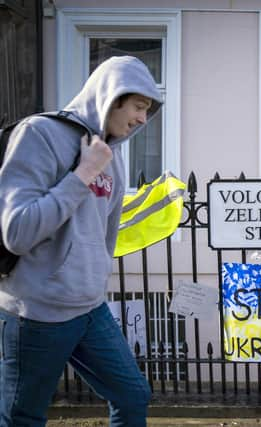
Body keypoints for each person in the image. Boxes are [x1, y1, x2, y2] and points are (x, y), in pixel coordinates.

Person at [0, 56, 162, 426]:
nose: (142, 119)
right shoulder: (39, 134)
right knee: (23, 417)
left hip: (90, 308)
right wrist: (84, 173)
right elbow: (17, 232)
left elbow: (107, 235)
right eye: (138, 106)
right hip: (36, 313)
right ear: (113, 96)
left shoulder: (114, 156)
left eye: (148, 111)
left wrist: (95, 275)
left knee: (133, 395)